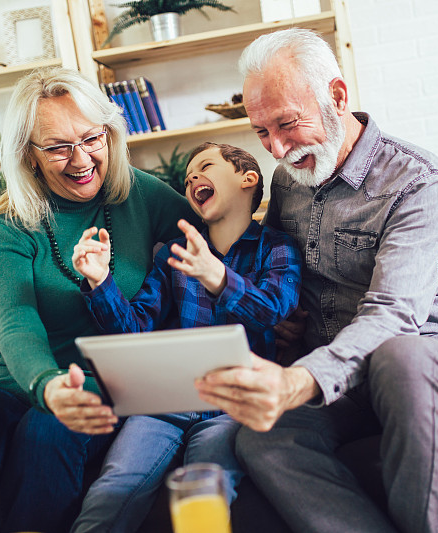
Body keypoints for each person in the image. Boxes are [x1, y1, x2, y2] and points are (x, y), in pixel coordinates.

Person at [194, 29, 438, 533]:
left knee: (400, 355)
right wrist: (284, 319)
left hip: (425, 357)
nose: (278, 149)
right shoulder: (290, 179)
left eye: (288, 124)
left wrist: (297, 379)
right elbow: (280, 269)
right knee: (261, 436)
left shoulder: (418, 180)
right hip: (338, 378)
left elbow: (396, 315)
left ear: (336, 96)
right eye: (262, 132)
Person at [0, 66, 200, 533]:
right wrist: (47, 385)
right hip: (14, 378)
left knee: (47, 432)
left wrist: (267, 307)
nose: (81, 159)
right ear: (29, 154)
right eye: (58, 147)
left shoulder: (142, 195)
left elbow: (212, 243)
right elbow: (17, 324)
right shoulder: (7, 226)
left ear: (109, 133)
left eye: (91, 138)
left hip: (101, 378)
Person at [68, 142, 302, 533]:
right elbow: (135, 328)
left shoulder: (276, 248)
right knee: (114, 487)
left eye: (205, 167)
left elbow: (273, 309)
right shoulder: (173, 255)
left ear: (248, 179)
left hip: (231, 407)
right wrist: (100, 280)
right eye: (188, 175)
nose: (192, 177)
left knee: (205, 492)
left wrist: (217, 277)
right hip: (165, 401)